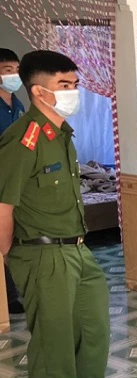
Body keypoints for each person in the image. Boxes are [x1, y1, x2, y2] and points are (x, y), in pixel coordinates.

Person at [0, 50, 124, 378]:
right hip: (42, 253)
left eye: (75, 84)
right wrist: (11, 256)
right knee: (53, 342)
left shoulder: (62, 134)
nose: (74, 92)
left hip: (77, 248)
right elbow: (3, 205)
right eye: (64, 85)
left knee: (93, 328)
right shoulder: (23, 138)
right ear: (39, 92)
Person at [0, 48, 25, 315]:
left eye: (17, 70)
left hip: (16, 178)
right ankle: (7, 299)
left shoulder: (17, 104)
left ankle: (15, 293)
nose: (14, 76)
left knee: (14, 238)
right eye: (8, 71)